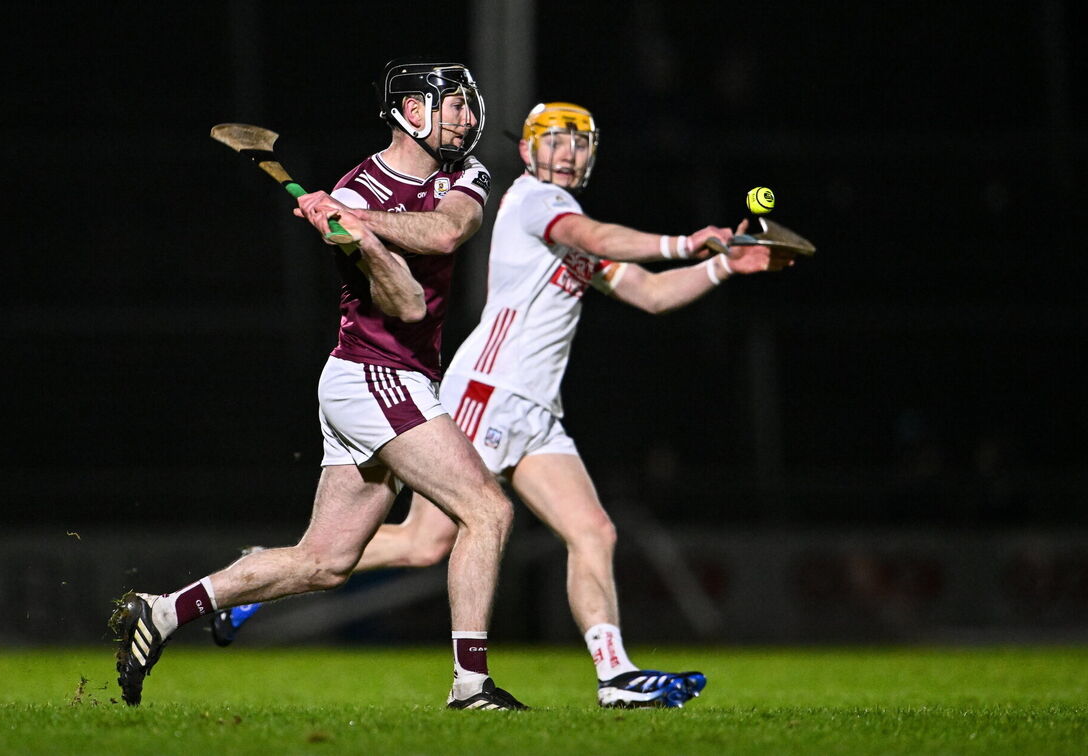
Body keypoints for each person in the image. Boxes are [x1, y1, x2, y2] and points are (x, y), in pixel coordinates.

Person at [211, 102, 795, 708]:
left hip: (536, 410)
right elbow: (594, 236)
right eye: (555, 140)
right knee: (425, 544)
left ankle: (616, 675)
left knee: (593, 530)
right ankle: (269, 572)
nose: (567, 153)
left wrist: (727, 262)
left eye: (580, 142)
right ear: (528, 151)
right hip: (488, 394)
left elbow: (648, 293)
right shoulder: (538, 202)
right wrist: (688, 241)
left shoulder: (567, 223)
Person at [109, 57, 528, 711]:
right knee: (488, 511)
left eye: (469, 107)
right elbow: (407, 306)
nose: (468, 120)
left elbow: (447, 230)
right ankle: (471, 686)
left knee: (324, 562)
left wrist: (364, 226)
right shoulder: (355, 187)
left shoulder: (462, 176)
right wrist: (358, 241)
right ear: (412, 113)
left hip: (382, 379)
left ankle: (161, 612)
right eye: (455, 107)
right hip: (375, 377)